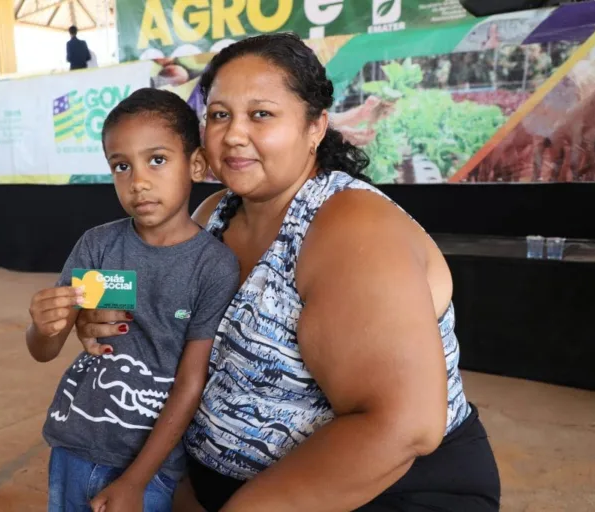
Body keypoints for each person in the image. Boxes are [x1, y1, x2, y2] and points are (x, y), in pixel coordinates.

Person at [75, 33, 501, 511]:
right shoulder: (214, 212)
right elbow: (161, 312)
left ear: (315, 126)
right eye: (219, 115)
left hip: (389, 493)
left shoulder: (349, 226)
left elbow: (402, 427)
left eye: (261, 114)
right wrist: (96, 314)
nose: (233, 134)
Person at [26, 88, 240, 512]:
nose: (138, 181)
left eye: (156, 160)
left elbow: (190, 382)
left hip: (149, 467)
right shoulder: (97, 245)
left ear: (195, 164)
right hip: (73, 445)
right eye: (121, 166)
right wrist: (43, 326)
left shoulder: (214, 267)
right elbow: (44, 350)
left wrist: (137, 481)